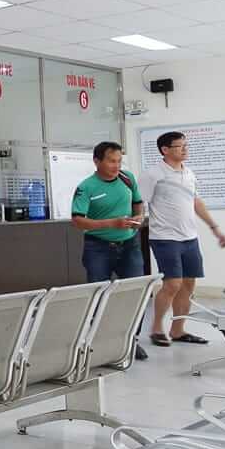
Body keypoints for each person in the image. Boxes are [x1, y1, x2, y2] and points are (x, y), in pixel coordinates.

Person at [140, 131, 225, 348]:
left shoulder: (188, 173)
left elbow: (196, 202)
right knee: (172, 284)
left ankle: (178, 330)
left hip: (189, 237)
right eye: (180, 146)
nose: (185, 149)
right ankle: (156, 329)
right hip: (164, 238)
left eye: (185, 145)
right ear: (165, 150)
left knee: (188, 284)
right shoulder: (153, 174)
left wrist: (214, 227)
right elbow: (140, 204)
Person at [70, 140, 148, 361]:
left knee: (135, 293)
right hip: (98, 248)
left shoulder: (127, 178)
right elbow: (77, 221)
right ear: (97, 161)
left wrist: (138, 217)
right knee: (98, 295)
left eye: (119, 161)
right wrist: (111, 223)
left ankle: (131, 340)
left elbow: (137, 203)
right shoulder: (86, 187)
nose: (116, 166)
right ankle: (96, 342)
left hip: (130, 245)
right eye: (111, 161)